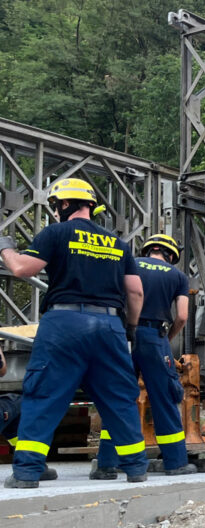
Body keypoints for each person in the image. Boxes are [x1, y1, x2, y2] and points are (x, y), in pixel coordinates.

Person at [0, 177, 148, 488]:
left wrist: (6, 248)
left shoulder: (57, 232)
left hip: (65, 323)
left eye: (55, 207)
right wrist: (130, 329)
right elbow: (135, 293)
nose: (55, 213)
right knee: (119, 398)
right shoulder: (118, 244)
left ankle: (27, 472)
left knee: (44, 394)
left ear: (64, 204)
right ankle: (136, 468)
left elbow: (21, 269)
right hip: (109, 327)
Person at [93, 233, 195, 478]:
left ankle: (106, 464)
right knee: (164, 398)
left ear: (148, 249)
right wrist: (166, 339)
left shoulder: (130, 263)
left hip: (122, 335)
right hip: (154, 337)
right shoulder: (177, 276)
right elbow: (182, 316)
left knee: (117, 397)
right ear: (171, 255)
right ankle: (175, 463)